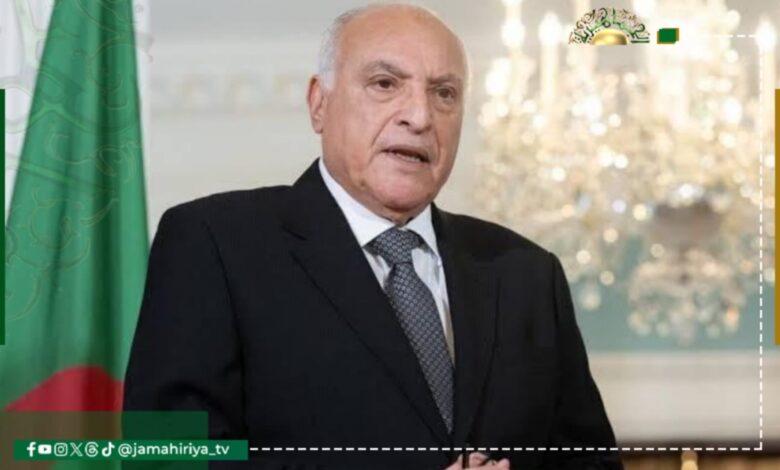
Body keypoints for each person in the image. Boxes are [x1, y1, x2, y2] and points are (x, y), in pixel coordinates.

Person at [124, 3, 623, 469]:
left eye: (444, 93)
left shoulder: (526, 275)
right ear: (319, 104)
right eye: (385, 84)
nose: (420, 116)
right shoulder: (214, 243)